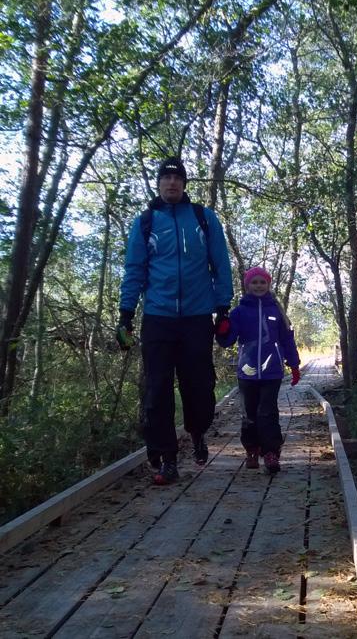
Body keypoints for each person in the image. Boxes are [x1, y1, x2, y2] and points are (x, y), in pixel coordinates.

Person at [117, 156, 233, 485]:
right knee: (157, 390)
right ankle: (166, 458)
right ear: (158, 184)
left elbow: (220, 264)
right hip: (158, 317)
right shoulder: (145, 222)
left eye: (176, 178)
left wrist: (223, 307)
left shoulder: (203, 218)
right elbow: (134, 270)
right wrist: (125, 314)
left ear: (184, 184)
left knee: (200, 387)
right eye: (165, 178)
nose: (171, 183)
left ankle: (197, 432)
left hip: (197, 317)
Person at [216, 266, 300, 474]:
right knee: (249, 412)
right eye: (254, 282)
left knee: (268, 411)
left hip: (272, 371)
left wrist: (294, 364)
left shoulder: (276, 310)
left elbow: (287, 339)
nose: (259, 286)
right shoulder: (239, 311)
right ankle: (252, 449)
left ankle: (271, 453)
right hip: (247, 371)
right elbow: (227, 341)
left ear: (268, 284)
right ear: (247, 286)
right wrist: (222, 329)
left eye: (263, 282)